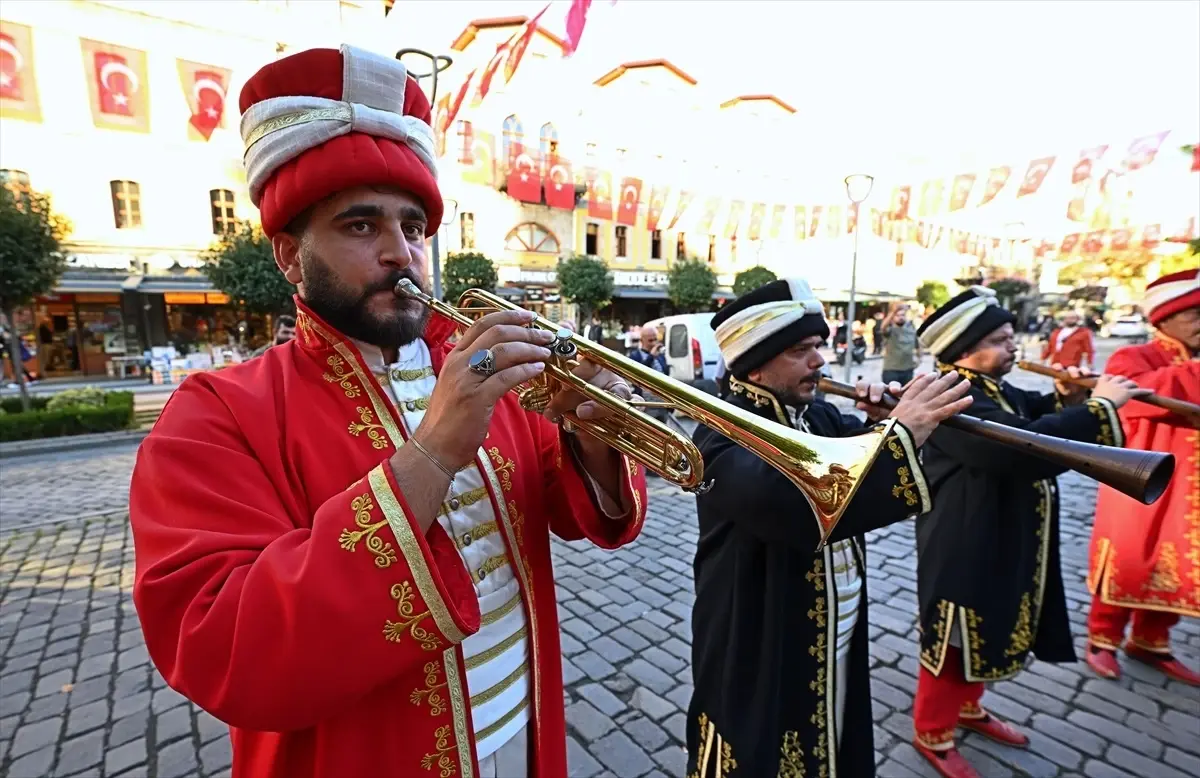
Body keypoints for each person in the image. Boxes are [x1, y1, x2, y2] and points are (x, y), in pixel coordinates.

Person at [128, 45, 649, 778]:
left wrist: (593, 437)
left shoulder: (476, 368)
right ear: (287, 254)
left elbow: (563, 506)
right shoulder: (212, 414)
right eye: (360, 226)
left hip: (525, 738)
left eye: (414, 227)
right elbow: (221, 644)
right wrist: (432, 452)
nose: (401, 254)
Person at [686, 278, 974, 777]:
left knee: (831, 732)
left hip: (832, 629)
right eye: (801, 350)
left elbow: (862, 458)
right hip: (758, 636)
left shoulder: (814, 414)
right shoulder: (719, 436)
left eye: (819, 345)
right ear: (755, 363)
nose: (820, 360)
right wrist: (901, 433)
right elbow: (800, 507)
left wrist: (882, 423)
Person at [909, 286, 1147, 778]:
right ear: (963, 351)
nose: (1014, 346)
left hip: (1003, 533)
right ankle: (932, 730)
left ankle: (969, 709)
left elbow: (1031, 410)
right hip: (964, 543)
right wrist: (1100, 408)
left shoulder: (993, 386)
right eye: (1000, 339)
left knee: (993, 625)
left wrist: (1068, 393)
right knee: (957, 637)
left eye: (1011, 335)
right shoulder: (949, 395)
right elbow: (1018, 446)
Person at [1086, 268, 1200, 685]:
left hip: (1191, 490)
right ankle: (1103, 639)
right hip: (1144, 485)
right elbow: (1134, 395)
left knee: (1184, 567)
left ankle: (1152, 640)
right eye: (1195, 315)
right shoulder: (1134, 357)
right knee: (1131, 557)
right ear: (1164, 319)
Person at [880, 301, 921, 386]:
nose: (900, 317)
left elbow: (918, 346)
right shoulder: (890, 330)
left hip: (908, 370)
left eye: (902, 315)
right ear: (893, 317)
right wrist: (893, 312)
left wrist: (919, 359)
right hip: (891, 370)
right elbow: (883, 327)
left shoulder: (911, 330)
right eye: (897, 315)